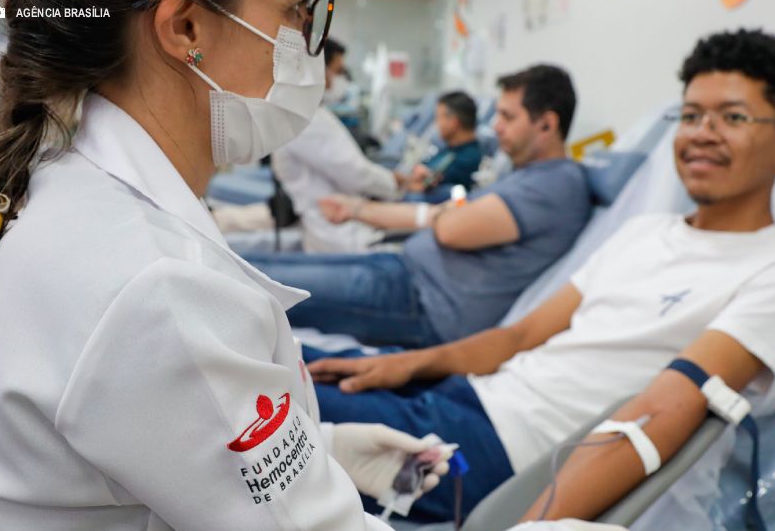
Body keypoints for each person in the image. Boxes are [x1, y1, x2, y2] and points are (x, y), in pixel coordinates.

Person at [0, 0, 637, 531]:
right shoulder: (159, 289)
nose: (304, 45)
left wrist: (321, 447)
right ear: (185, 29)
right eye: (296, 11)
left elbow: (155, 442)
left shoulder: (73, 196)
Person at [305, 29, 775, 525]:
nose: (701, 134)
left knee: (265, 407)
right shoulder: (644, 232)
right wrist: (407, 365)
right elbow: (522, 336)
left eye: (732, 117)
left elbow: (665, 409)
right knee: (285, 360)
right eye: (690, 115)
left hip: (500, 454)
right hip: (467, 394)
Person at [246, 64, 592, 348]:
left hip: (424, 301)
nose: (495, 126)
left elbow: (451, 228)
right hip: (404, 269)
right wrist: (356, 209)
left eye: (507, 116)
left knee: (262, 288)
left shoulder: (557, 184)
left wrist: (445, 215)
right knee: (258, 269)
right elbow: (439, 217)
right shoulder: (526, 176)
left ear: (547, 123)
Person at [271, 37, 404, 253]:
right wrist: (394, 183)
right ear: (318, 70)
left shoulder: (314, 113)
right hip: (339, 234)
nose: (339, 79)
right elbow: (355, 172)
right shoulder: (306, 120)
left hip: (342, 223)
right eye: (337, 71)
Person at [397, 91, 484, 199]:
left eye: (438, 117)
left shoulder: (469, 158)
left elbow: (425, 185)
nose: (436, 123)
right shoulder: (449, 150)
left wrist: (400, 183)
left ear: (453, 122)